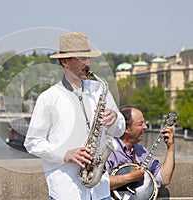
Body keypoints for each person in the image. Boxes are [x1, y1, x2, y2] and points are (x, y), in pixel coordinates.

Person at [24, 32, 126, 200]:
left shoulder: (100, 89)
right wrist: (65, 154)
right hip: (67, 190)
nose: (88, 63)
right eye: (82, 58)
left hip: (100, 190)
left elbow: (119, 130)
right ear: (65, 62)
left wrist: (115, 118)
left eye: (88, 58)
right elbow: (32, 142)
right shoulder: (49, 98)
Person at [106, 105, 175, 193]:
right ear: (126, 128)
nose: (145, 127)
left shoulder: (140, 151)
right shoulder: (108, 149)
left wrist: (171, 147)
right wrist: (129, 177)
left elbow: (164, 179)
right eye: (140, 124)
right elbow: (99, 182)